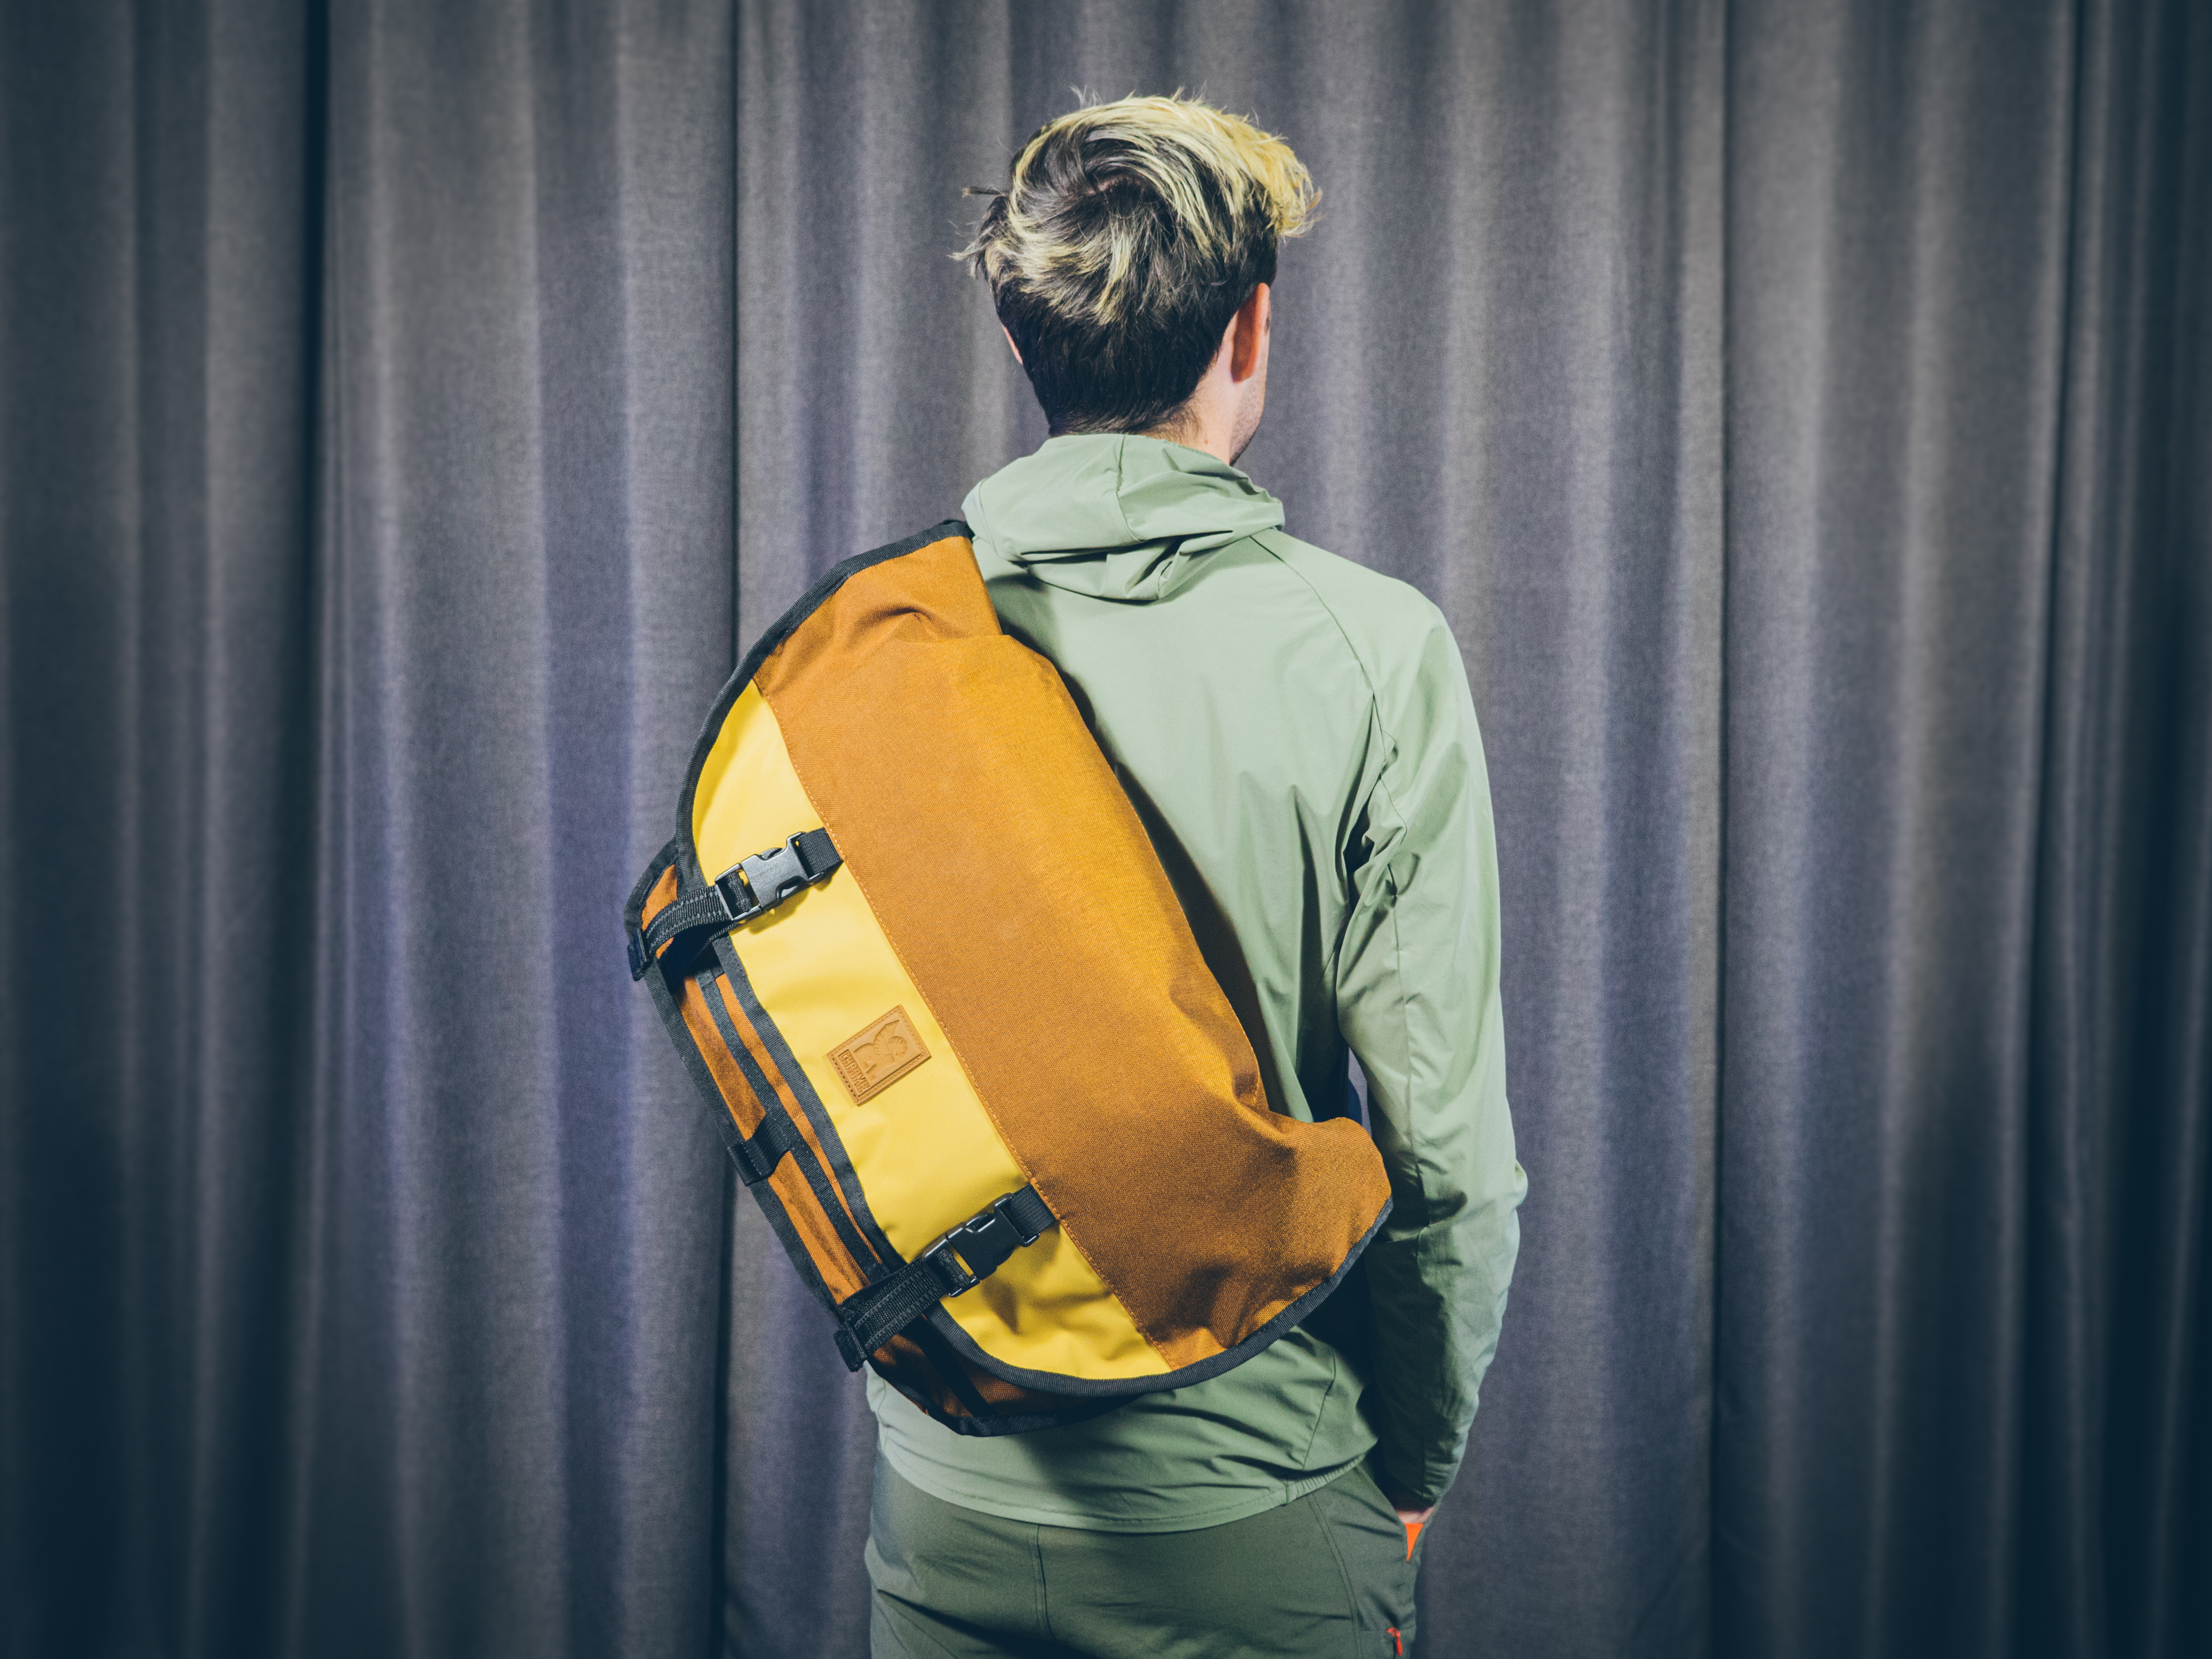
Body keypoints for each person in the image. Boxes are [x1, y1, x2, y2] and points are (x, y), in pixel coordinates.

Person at [864, 93, 1527, 1659]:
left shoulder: (890, 646)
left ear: (1022, 349)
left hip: (942, 1493)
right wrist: (1408, 1474)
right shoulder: (1371, 651)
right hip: (1253, 1509)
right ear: (1251, 332)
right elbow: (1449, 1169)